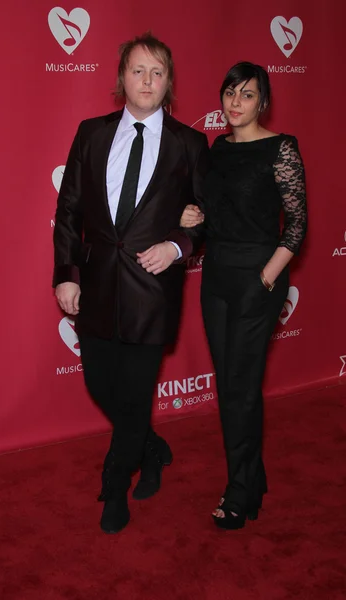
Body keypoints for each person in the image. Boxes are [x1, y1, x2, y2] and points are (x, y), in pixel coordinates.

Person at [53, 33, 209, 534]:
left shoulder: (190, 143)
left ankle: (115, 486)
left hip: (153, 291)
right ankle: (150, 447)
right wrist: (66, 275)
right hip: (95, 287)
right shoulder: (92, 132)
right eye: (138, 70)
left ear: (169, 83)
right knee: (101, 384)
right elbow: (68, 211)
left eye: (157, 72)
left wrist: (180, 246)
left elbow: (206, 216)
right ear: (121, 78)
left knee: (137, 394)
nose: (147, 81)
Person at [181, 62, 307, 530]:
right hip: (216, 278)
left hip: (260, 277)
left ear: (263, 102)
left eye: (247, 95)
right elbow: (219, 218)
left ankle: (239, 492)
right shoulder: (216, 149)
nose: (236, 103)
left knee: (241, 386)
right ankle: (252, 476)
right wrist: (196, 218)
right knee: (231, 386)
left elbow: (297, 225)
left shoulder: (281, 149)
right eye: (230, 93)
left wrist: (268, 278)